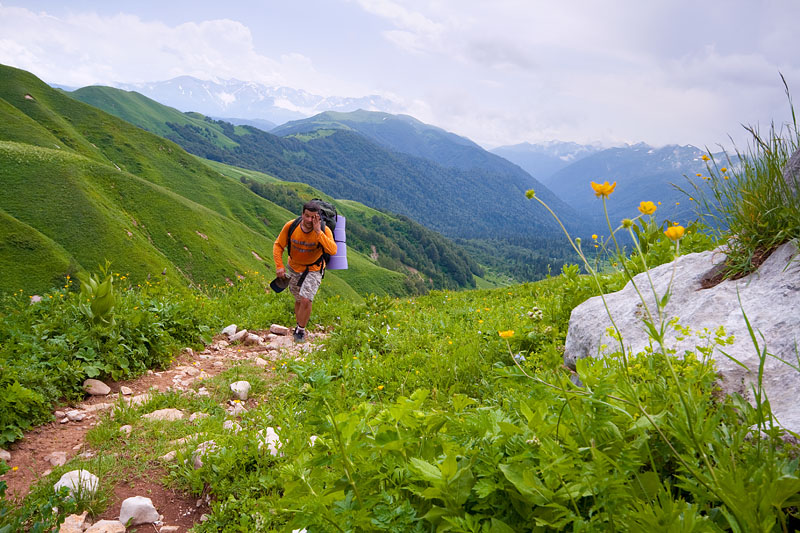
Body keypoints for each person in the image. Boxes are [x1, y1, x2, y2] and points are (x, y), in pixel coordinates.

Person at [273, 201, 338, 342]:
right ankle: (298, 326)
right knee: (298, 299)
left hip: (314, 268)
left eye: (313, 217)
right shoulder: (291, 226)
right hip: (294, 267)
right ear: (302, 214)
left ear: (318, 217)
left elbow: (332, 250)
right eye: (307, 216)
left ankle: (300, 330)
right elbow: (278, 245)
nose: (309, 220)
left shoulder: (324, 230)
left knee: (306, 299)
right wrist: (279, 266)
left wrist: (318, 232)